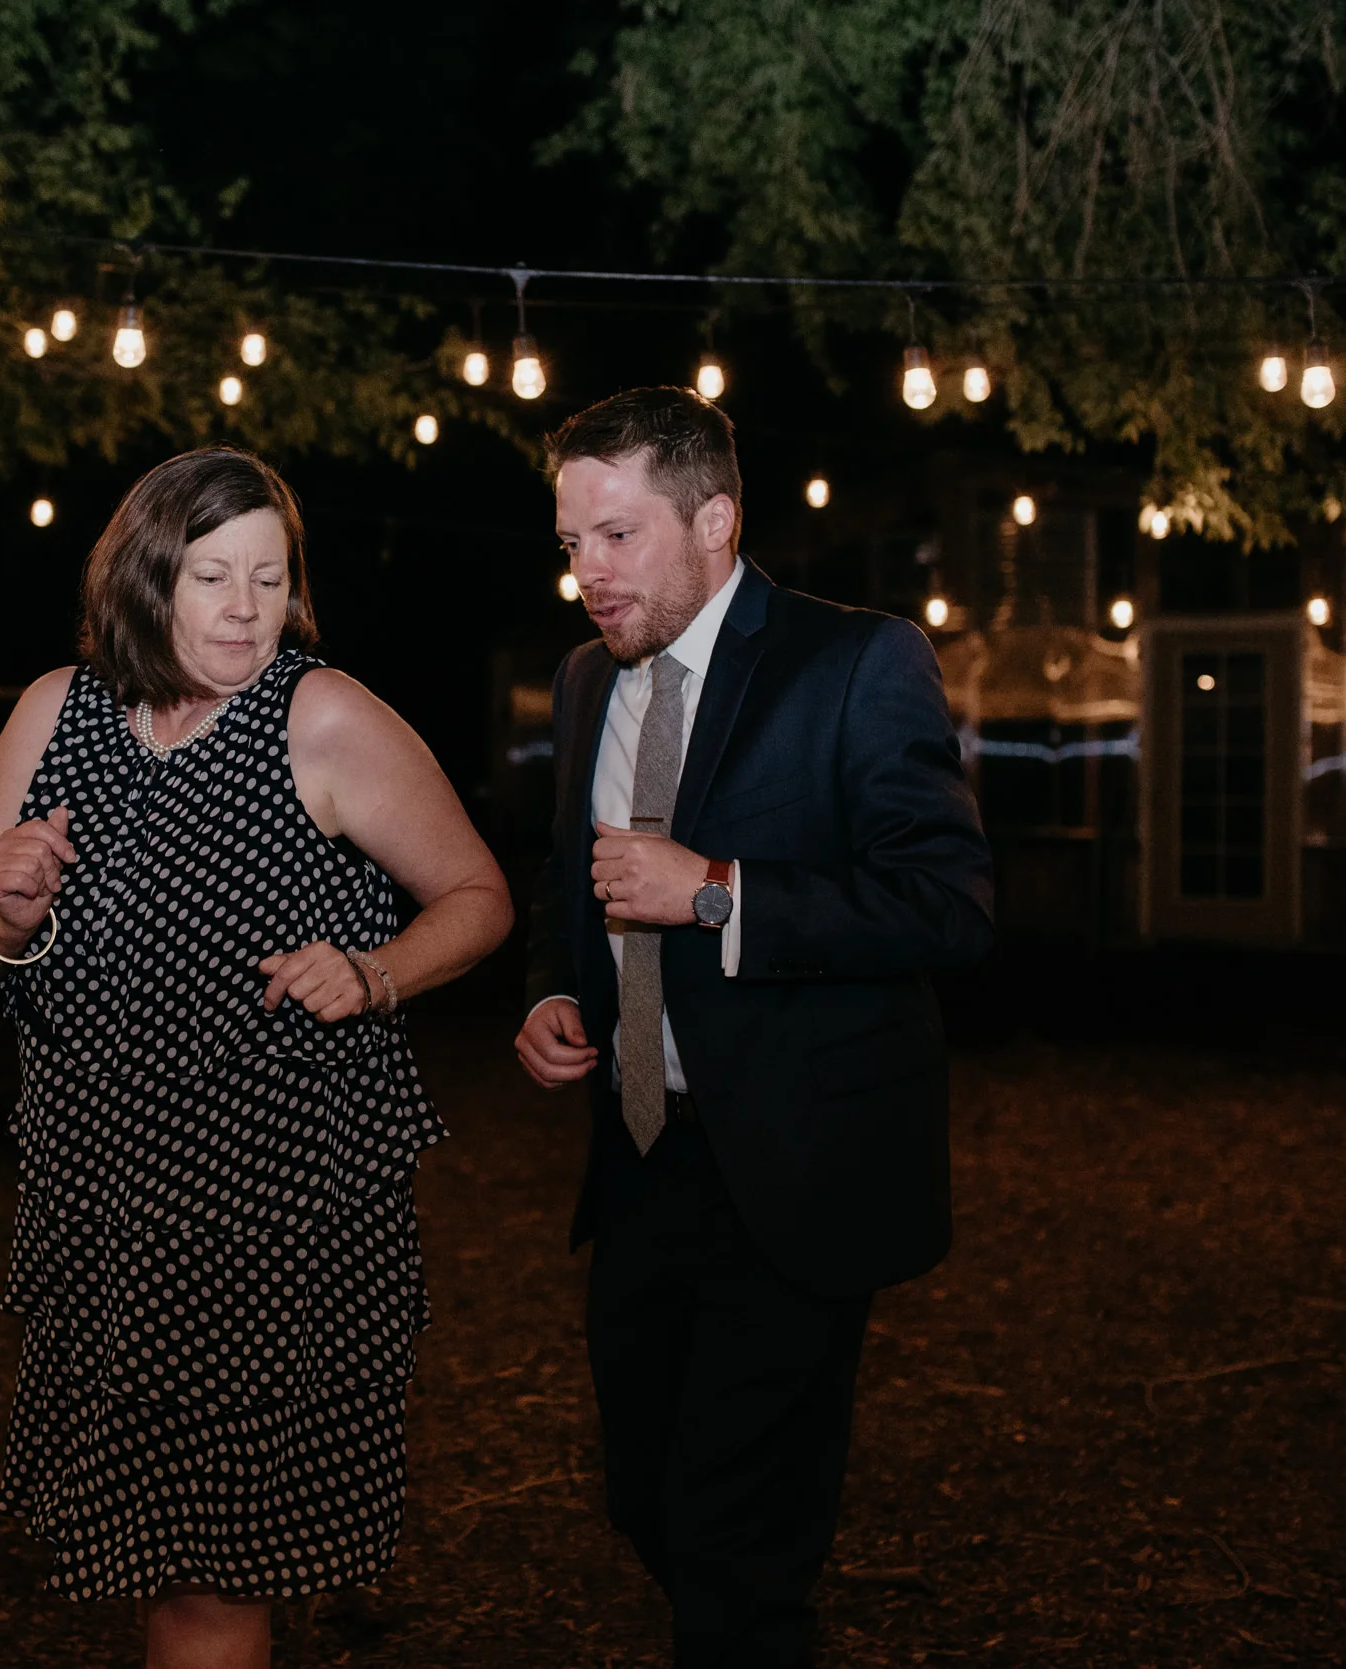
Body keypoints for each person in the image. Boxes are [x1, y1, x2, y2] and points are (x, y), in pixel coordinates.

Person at [0, 446, 511, 1669]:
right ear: (146, 581)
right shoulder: (56, 711)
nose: (245, 606)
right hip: (100, 1211)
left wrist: (374, 972)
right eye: (211, 575)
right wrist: (11, 914)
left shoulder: (323, 716)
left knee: (209, 1576)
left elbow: (477, 895)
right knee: (153, 1556)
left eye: (268, 574)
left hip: (269, 1213)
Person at [511, 387, 994, 1668]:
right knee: (644, 1500)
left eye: (617, 539)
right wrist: (554, 992)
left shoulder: (856, 660)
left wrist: (717, 891)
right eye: (570, 545)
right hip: (639, 1157)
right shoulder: (579, 686)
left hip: (795, 1169)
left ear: (715, 520)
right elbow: (571, 884)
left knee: (736, 1540)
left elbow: (948, 905)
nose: (587, 578)